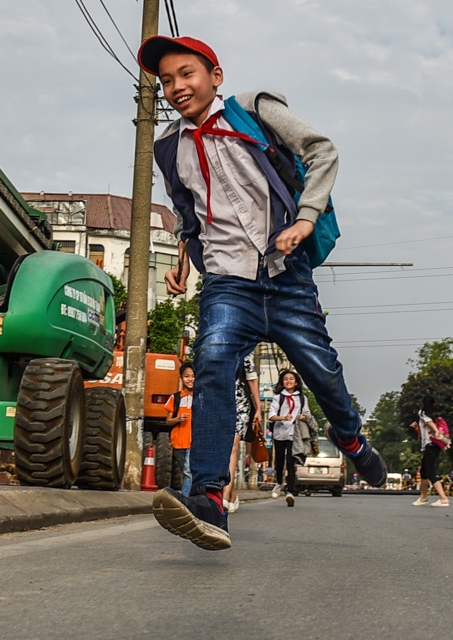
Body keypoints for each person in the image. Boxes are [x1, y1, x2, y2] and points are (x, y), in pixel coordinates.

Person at [141, 36, 388, 550]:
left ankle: (351, 439)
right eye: (166, 81)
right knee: (212, 361)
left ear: (216, 75)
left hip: (286, 275)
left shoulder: (256, 110)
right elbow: (191, 214)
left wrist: (305, 218)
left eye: (186, 74)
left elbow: (322, 151)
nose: (177, 88)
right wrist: (186, 262)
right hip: (228, 280)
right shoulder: (169, 146)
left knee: (323, 374)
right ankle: (208, 500)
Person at [224, 354, 261, 512]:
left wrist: (258, 408)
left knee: (232, 446)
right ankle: (231, 492)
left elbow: (252, 379)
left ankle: (224, 495)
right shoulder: (214, 347)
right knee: (222, 449)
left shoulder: (244, 353)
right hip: (219, 403)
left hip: (240, 404)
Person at [269, 369, 308, 505]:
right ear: (282, 382)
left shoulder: (302, 398)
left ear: (296, 382)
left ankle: (290, 491)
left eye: (291, 379)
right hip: (280, 433)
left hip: (294, 434)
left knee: (291, 463)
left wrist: (304, 416)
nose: (288, 381)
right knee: (279, 461)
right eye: (285, 379)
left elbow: (306, 414)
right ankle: (279, 483)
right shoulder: (278, 398)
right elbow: (271, 416)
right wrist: (283, 417)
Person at [412, 411, 451, 507]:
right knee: (423, 472)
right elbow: (424, 432)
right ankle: (423, 497)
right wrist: (417, 428)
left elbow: (430, 424)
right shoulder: (435, 417)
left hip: (432, 445)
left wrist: (436, 431)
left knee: (430, 472)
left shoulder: (424, 414)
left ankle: (443, 498)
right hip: (432, 445)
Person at [169, 364, 195, 494]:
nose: (190, 379)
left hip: (194, 441)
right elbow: (168, 421)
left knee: (188, 470)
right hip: (178, 442)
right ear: (181, 378)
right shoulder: (175, 398)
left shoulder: (200, 398)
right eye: (186, 376)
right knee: (185, 471)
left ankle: (185, 500)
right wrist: (178, 419)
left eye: (193, 376)